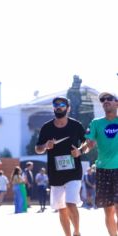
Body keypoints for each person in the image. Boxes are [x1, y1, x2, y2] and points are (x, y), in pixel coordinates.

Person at [35, 96, 86, 236]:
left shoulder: (76, 125)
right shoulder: (46, 127)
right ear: (53, 108)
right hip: (55, 173)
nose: (58, 107)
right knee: (61, 208)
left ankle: (77, 232)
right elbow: (37, 148)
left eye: (62, 104)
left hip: (74, 171)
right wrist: (45, 146)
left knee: (70, 203)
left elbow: (87, 144)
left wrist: (80, 151)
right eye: (56, 104)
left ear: (68, 108)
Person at [81, 91, 118, 236]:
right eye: (103, 100)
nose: (105, 101)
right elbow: (88, 144)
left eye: (109, 99)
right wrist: (81, 149)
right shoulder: (96, 123)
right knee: (108, 210)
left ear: (117, 103)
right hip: (103, 170)